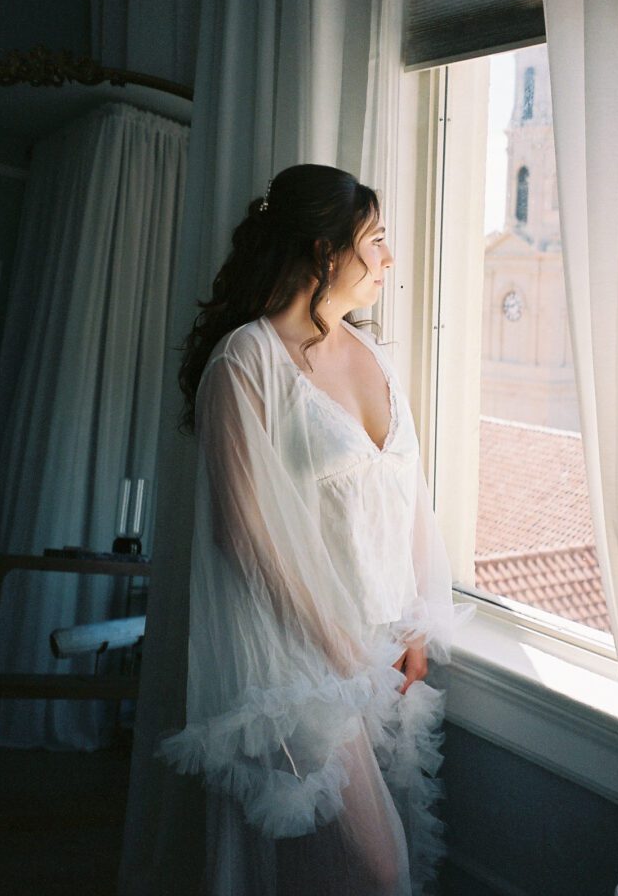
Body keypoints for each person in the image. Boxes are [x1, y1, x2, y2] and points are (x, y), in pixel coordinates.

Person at [158, 164, 471, 895]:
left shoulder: (371, 354)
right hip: (298, 663)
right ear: (327, 252)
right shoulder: (244, 364)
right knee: (377, 865)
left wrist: (415, 632)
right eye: (378, 242)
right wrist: (338, 651)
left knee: (341, 870)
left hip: (387, 655)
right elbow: (247, 537)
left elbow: (408, 497)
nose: (389, 261)